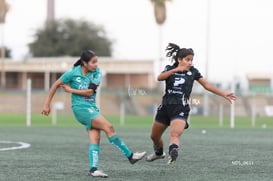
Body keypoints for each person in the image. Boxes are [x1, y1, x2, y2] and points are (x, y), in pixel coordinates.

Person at [41, 50, 146, 178]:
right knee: (109, 127)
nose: (96, 64)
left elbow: (90, 92)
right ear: (84, 63)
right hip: (80, 109)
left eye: (97, 61)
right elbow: (55, 85)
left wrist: (70, 90)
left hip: (92, 108)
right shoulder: (72, 73)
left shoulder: (97, 72)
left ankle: (93, 169)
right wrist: (47, 104)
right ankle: (130, 156)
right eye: (93, 62)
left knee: (95, 138)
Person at [146, 43, 236, 165]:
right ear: (179, 60)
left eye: (191, 60)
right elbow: (159, 77)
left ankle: (173, 151)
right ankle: (159, 153)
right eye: (187, 60)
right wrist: (175, 70)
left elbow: (207, 85)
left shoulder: (193, 72)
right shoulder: (169, 69)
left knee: (175, 133)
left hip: (180, 107)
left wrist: (223, 93)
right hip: (165, 107)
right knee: (154, 136)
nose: (190, 62)